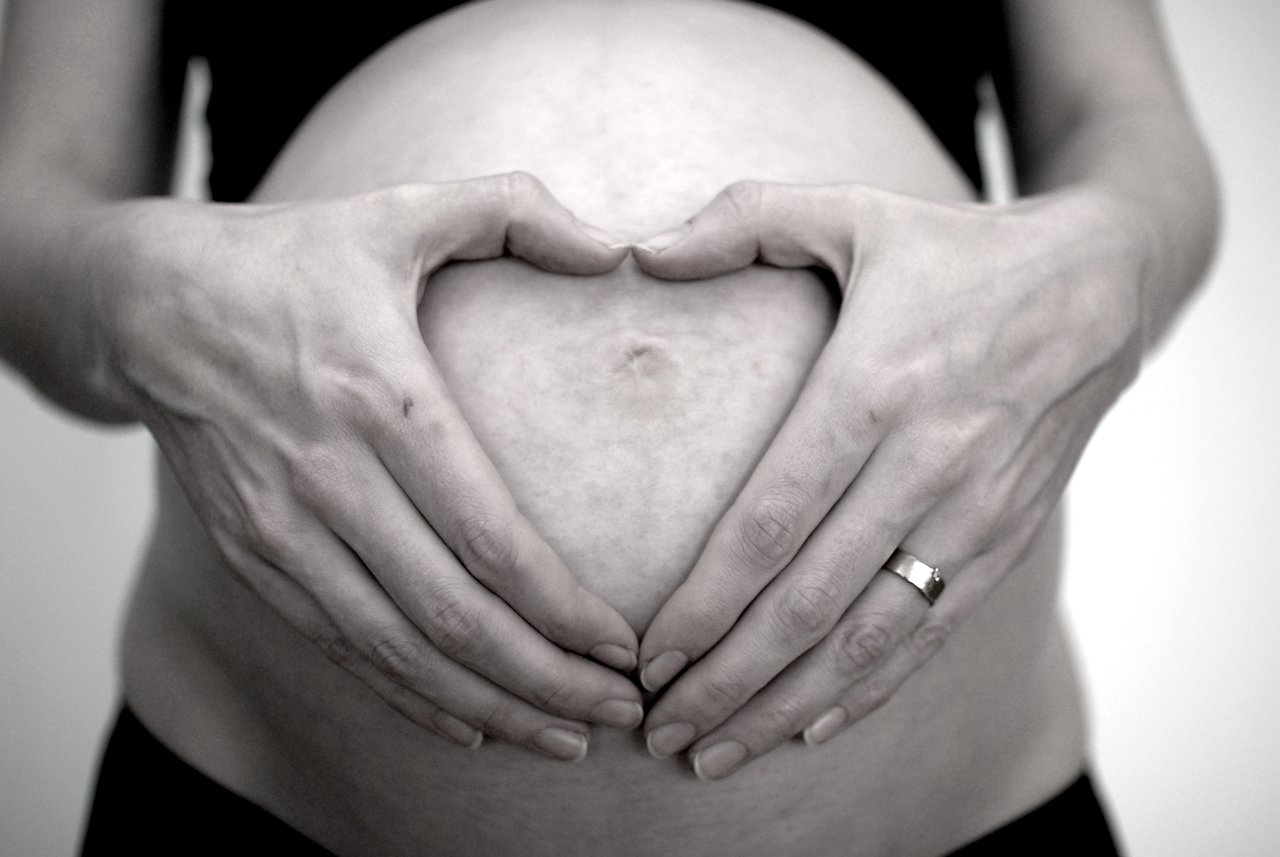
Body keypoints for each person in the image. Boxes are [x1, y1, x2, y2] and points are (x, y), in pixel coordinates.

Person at [0, 1, 1217, 855]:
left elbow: (1126, 129)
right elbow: (30, 200)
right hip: (266, 789)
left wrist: (1115, 255)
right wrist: (126, 298)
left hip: (957, 809)